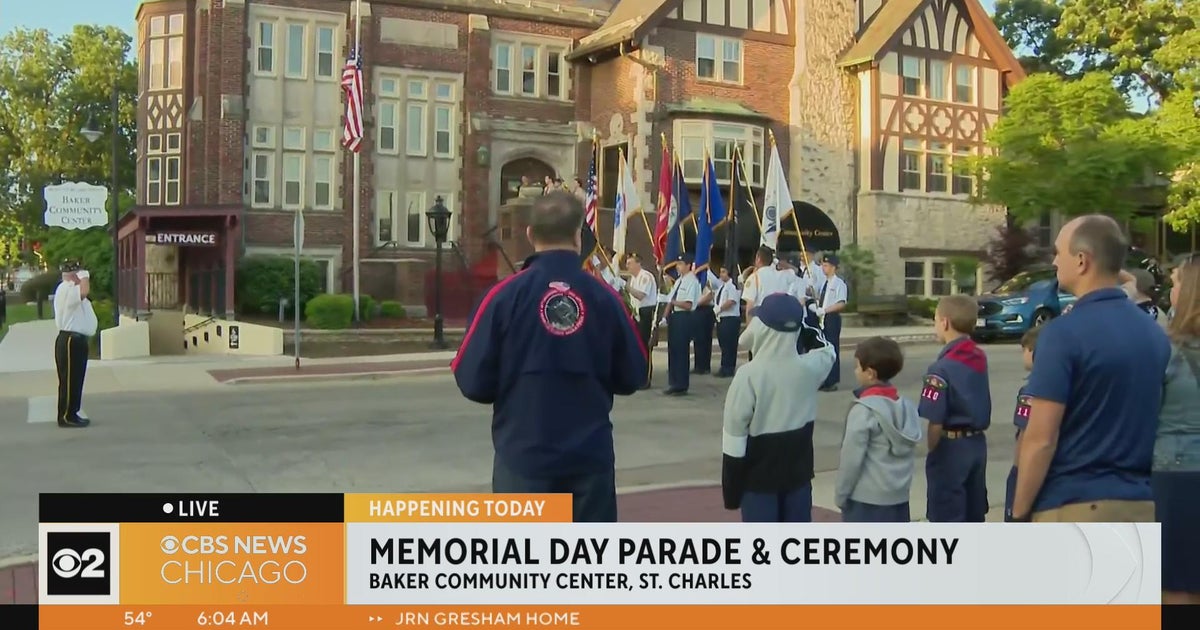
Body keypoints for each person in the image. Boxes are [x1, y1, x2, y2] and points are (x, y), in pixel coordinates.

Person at [451, 191, 648, 522]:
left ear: (530, 234)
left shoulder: (502, 298)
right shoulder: (606, 299)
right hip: (589, 462)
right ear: (578, 235)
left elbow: (471, 380)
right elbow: (633, 374)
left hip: (524, 461)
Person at [1010, 215, 1170, 523]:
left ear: (1082, 260)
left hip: (1073, 505)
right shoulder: (1153, 333)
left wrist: (1018, 512)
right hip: (1138, 505)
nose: (1055, 261)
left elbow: (1041, 438)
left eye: (1059, 252)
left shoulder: (1062, 334)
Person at [721, 294, 836, 522]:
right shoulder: (810, 367)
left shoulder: (749, 375)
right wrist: (800, 326)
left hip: (758, 482)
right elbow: (827, 349)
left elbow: (734, 438)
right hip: (799, 476)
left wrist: (732, 493)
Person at [1153, 255, 1200, 603]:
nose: (1173, 289)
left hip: (1177, 472)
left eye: (1177, 283)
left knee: (1174, 584)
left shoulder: (1167, 352)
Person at [919, 294, 991, 522]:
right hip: (977, 444)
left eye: (935, 320)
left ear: (945, 322)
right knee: (974, 512)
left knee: (947, 514)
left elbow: (935, 420)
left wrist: (932, 449)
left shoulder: (940, 369)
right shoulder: (978, 356)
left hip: (950, 446)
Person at [835, 337, 922, 522]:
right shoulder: (907, 407)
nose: (855, 370)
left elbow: (851, 459)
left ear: (870, 373)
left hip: (865, 500)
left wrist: (841, 494)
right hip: (898, 498)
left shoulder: (863, 410)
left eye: (858, 366)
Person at [53, 261, 98, 429]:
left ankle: (73, 412)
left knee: (76, 379)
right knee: (69, 379)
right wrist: (84, 277)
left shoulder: (71, 289)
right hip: (70, 340)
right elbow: (84, 292)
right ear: (73, 275)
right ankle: (66, 415)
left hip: (78, 340)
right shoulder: (66, 288)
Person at [1004, 325, 1041, 521]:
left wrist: (1017, 471)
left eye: (1024, 350)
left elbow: (1025, 434)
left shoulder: (1030, 390)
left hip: (1026, 468)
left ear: (1033, 352)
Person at [663, 253, 700, 396]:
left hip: (685, 317)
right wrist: (665, 316)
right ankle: (673, 382)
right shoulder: (679, 281)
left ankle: (681, 384)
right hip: (675, 316)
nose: (678, 267)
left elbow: (688, 304)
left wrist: (672, 303)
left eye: (680, 264)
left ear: (688, 266)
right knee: (673, 350)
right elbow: (670, 298)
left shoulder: (692, 281)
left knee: (681, 351)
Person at [809, 254, 847, 391]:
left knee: (832, 349)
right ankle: (824, 379)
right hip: (823, 318)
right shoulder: (825, 283)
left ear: (833, 267)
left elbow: (841, 303)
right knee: (823, 349)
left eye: (825, 266)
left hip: (832, 318)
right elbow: (820, 297)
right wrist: (816, 306)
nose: (823, 268)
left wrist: (825, 310)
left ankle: (832, 381)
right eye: (822, 265)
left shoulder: (839, 283)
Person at [625, 253, 659, 389]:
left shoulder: (646, 276)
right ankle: (638, 375)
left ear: (638, 264)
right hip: (637, 313)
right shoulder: (633, 278)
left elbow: (640, 295)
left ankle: (646, 378)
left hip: (646, 313)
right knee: (637, 346)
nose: (627, 266)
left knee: (645, 345)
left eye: (630, 263)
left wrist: (628, 288)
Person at [713, 267, 742, 378]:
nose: (721, 274)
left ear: (729, 273)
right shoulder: (722, 286)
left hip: (730, 318)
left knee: (729, 345)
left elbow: (731, 301)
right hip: (722, 318)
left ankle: (729, 368)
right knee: (723, 344)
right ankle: (724, 366)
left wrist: (720, 309)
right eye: (720, 272)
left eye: (724, 272)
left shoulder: (732, 285)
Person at [692, 270, 720, 375]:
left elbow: (710, 295)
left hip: (705, 309)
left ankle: (703, 366)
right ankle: (698, 365)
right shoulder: (698, 274)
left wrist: (695, 304)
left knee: (704, 338)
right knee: (698, 339)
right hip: (699, 309)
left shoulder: (707, 275)